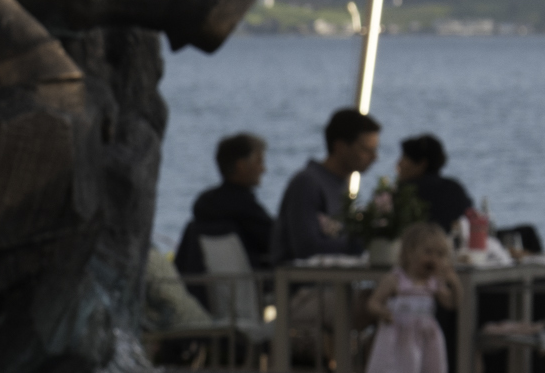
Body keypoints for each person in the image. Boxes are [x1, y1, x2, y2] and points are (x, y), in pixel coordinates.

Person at [273, 108, 379, 265]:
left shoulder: (338, 185)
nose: (374, 157)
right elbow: (306, 248)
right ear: (340, 147)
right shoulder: (307, 184)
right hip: (299, 285)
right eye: (365, 149)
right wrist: (361, 245)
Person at [365, 221, 460, 373]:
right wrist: (383, 312)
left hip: (426, 338)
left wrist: (455, 283)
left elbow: (452, 303)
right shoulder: (396, 280)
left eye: (439, 254)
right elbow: (373, 303)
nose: (433, 259)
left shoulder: (433, 283)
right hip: (399, 337)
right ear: (409, 252)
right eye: (428, 252)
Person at [177, 131, 273, 273]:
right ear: (241, 165)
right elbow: (276, 241)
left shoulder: (205, 205)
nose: (263, 169)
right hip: (255, 287)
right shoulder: (246, 208)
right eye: (259, 161)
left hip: (208, 289)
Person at [395, 134, 473, 233]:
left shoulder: (406, 193)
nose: (399, 163)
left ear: (422, 164)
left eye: (405, 158)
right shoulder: (455, 189)